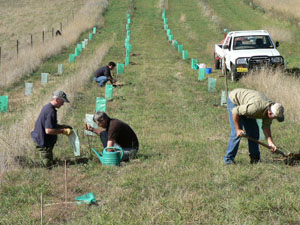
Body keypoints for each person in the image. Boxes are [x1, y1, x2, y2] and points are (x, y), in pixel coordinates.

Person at [225, 88, 284, 164]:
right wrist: (238, 129)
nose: (275, 119)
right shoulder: (255, 108)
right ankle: (229, 160)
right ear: (270, 113)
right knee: (236, 134)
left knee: (253, 133)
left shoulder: (272, 110)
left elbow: (266, 127)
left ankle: (255, 159)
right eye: (275, 117)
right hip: (235, 101)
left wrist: (270, 143)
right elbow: (235, 111)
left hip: (247, 105)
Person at [31, 90, 72, 168]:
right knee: (47, 166)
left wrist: (63, 126)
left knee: (49, 163)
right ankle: (27, 164)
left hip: (43, 140)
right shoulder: (51, 111)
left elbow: (52, 125)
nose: (63, 104)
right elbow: (48, 130)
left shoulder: (48, 107)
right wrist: (63, 131)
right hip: (42, 141)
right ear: (57, 99)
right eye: (62, 101)